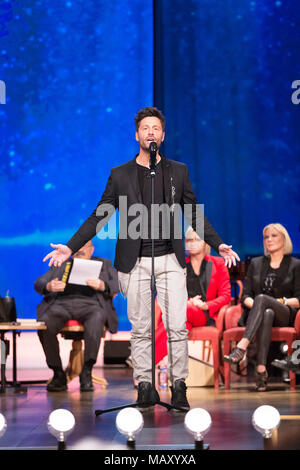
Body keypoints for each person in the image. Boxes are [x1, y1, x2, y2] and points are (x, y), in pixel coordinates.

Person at [42, 106, 239, 410]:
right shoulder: (119, 175)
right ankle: (145, 385)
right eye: (145, 128)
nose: (150, 132)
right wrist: (70, 246)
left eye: (155, 128)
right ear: (137, 135)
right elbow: (99, 216)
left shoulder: (178, 171)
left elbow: (193, 214)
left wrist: (219, 243)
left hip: (171, 260)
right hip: (134, 262)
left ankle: (178, 385)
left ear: (163, 135)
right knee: (141, 326)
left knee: (176, 325)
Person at [224, 223, 300, 391]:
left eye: (274, 236)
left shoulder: (295, 265)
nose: (269, 240)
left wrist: (281, 301)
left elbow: (299, 299)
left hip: (285, 314)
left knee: (266, 303)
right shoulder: (256, 264)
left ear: (284, 239)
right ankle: (261, 371)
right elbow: (245, 297)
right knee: (266, 311)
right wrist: (259, 302)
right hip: (259, 314)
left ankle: (242, 346)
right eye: (266, 237)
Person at [35, 241, 119, 392]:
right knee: (45, 324)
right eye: (77, 248)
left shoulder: (103, 263)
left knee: (97, 317)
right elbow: (40, 281)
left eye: (84, 248)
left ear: (91, 250)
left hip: (91, 305)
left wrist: (102, 285)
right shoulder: (62, 263)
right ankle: (58, 373)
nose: (79, 251)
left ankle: (87, 370)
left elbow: (118, 283)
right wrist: (48, 286)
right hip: (62, 304)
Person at [155, 226, 231, 366]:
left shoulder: (218, 263)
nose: (192, 242)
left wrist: (205, 305)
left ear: (205, 243)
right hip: (184, 314)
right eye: (189, 239)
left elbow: (225, 296)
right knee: (181, 323)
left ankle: (143, 359)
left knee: (179, 313)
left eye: (197, 239)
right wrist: (189, 301)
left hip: (206, 314)